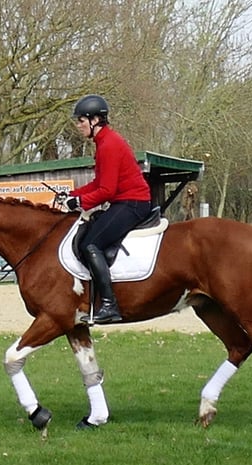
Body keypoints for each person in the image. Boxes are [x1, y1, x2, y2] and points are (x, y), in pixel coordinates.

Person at [63, 94, 152, 324]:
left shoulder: (109, 145)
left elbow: (107, 190)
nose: (78, 125)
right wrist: (71, 195)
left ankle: (110, 305)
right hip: (124, 201)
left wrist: (80, 203)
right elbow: (97, 184)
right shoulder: (104, 142)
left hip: (132, 203)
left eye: (81, 120)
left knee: (90, 243)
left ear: (95, 121)